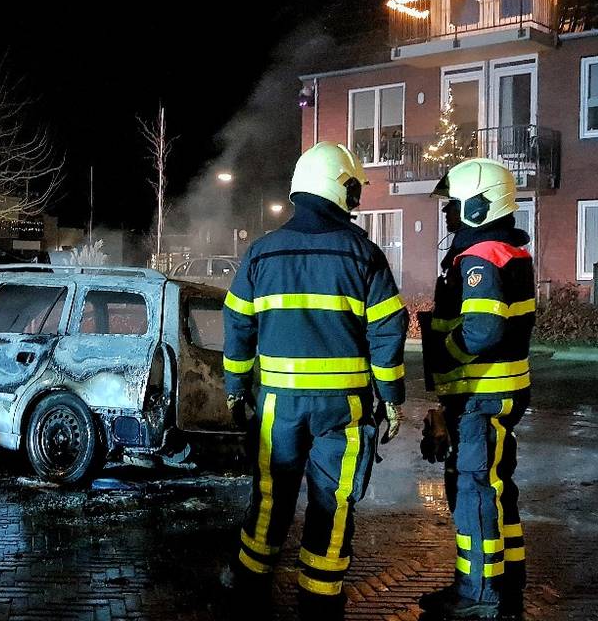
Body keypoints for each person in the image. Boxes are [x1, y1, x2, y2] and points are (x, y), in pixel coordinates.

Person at [223, 143, 407, 616]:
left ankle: (248, 596)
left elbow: (237, 324)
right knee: (333, 504)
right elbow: (388, 329)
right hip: (342, 410)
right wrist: (391, 398)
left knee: (269, 499)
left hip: (277, 408)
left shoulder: (261, 254)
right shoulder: (364, 255)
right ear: (341, 188)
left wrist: (235, 389)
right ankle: (320, 606)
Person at [418, 159, 534, 619]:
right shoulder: (505, 252)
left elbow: (481, 331)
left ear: (480, 206)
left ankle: (479, 592)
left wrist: (445, 354)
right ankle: (508, 580)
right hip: (497, 394)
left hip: (481, 396)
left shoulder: (482, 257)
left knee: (475, 491)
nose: (448, 212)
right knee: (498, 488)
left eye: (454, 203)